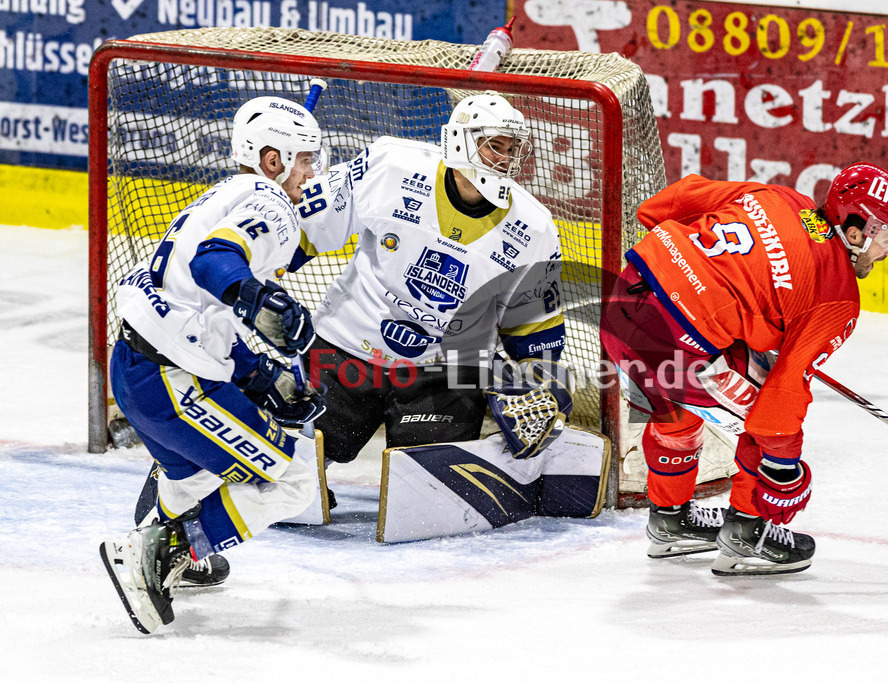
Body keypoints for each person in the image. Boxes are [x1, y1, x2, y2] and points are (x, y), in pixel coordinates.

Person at [599, 163, 888, 575]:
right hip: (673, 349)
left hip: (622, 306)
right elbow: (780, 403)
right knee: (768, 421)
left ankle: (671, 519)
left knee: (689, 399)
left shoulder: (780, 198)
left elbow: (665, 204)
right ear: (855, 232)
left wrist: (699, 278)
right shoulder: (838, 297)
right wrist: (784, 471)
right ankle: (747, 534)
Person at [99, 95, 328, 634]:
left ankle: (164, 533)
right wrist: (254, 297)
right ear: (272, 160)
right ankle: (167, 550)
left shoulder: (224, 193)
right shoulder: (270, 200)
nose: (311, 173)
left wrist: (258, 375)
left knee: (195, 479)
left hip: (134, 367)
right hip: (171, 384)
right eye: (305, 159)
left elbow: (206, 313)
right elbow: (214, 264)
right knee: (294, 480)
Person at [293, 91, 569, 466]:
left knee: (429, 479)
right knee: (298, 461)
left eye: (511, 148)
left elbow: (533, 331)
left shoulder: (534, 229)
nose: (505, 159)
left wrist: (546, 387)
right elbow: (309, 229)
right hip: (346, 345)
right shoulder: (391, 165)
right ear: (459, 142)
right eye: (494, 146)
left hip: (442, 369)